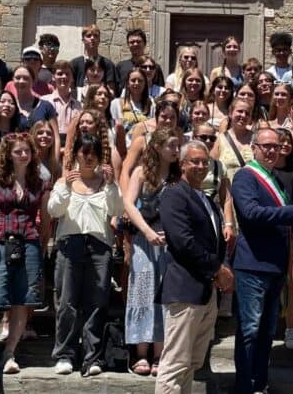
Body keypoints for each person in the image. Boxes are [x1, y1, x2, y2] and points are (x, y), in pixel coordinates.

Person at [230, 127, 293, 394]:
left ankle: (260, 383)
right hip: (252, 264)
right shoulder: (246, 176)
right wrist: (291, 211)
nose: (271, 150)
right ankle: (245, 386)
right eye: (265, 146)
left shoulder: (275, 178)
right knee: (250, 330)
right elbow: (251, 212)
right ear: (254, 147)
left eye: (275, 146)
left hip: (275, 264)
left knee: (267, 330)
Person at [155, 140, 234, 394]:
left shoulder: (207, 199)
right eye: (195, 161)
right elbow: (183, 242)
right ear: (182, 164)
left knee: (191, 363)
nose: (201, 166)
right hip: (185, 290)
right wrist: (217, 269)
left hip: (205, 292)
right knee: (175, 364)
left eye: (205, 162)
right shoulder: (174, 193)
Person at [48, 134, 122, 377]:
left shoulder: (106, 182)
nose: (89, 158)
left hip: (99, 245)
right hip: (70, 244)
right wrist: (67, 188)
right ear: (76, 154)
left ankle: (92, 357)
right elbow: (54, 210)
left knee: (97, 302)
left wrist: (111, 186)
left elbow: (116, 210)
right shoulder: (64, 180)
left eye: (93, 153)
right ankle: (65, 354)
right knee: (67, 302)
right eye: (84, 152)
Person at [0, 131, 49, 374]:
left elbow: (45, 221)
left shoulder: (40, 184)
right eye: (18, 151)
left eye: (27, 151)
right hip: (0, 241)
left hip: (29, 242)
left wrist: (41, 243)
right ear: (8, 155)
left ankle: (9, 353)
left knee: (23, 300)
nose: (23, 155)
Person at [123, 127, 183, 377]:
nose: (176, 150)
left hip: (170, 241)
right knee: (142, 292)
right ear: (157, 147)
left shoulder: (178, 176)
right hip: (144, 238)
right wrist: (147, 231)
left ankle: (160, 353)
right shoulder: (141, 172)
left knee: (165, 296)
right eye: (171, 145)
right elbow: (128, 203)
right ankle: (141, 352)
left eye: (177, 145)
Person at [271, 129, 293, 350]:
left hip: (291, 233)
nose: (284, 145)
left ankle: (291, 327)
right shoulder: (266, 173)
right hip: (268, 233)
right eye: (279, 141)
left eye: (287, 141)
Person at [71, 24, 120, 95]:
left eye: (95, 36)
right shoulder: (74, 64)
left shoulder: (108, 64)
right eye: (88, 36)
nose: (92, 38)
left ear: (99, 40)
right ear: (83, 40)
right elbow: (71, 88)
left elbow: (111, 91)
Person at [43, 60, 83, 145]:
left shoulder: (79, 106)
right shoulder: (44, 102)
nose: (64, 77)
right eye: (60, 74)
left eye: (67, 74)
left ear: (72, 78)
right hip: (50, 146)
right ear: (53, 77)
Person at [11, 65, 58, 134]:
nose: (21, 81)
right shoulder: (10, 107)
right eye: (18, 78)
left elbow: (56, 137)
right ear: (13, 80)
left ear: (33, 81)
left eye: (26, 78)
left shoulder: (46, 106)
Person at [215, 100, 254, 180]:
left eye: (247, 113)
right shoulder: (220, 139)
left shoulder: (256, 139)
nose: (243, 115)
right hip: (227, 190)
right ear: (230, 113)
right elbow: (213, 168)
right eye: (240, 111)